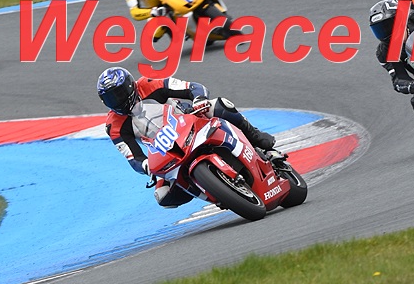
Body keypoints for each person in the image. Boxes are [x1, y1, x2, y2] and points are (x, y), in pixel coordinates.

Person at [97, 66, 282, 208]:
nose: (117, 100)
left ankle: (256, 137)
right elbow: (133, 157)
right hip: (166, 151)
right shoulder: (114, 126)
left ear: (130, 86)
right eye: (111, 98)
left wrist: (199, 99)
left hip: (190, 120)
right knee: (162, 196)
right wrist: (146, 166)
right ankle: (218, 194)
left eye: (119, 94)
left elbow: (191, 87)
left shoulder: (148, 84)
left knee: (218, 105)